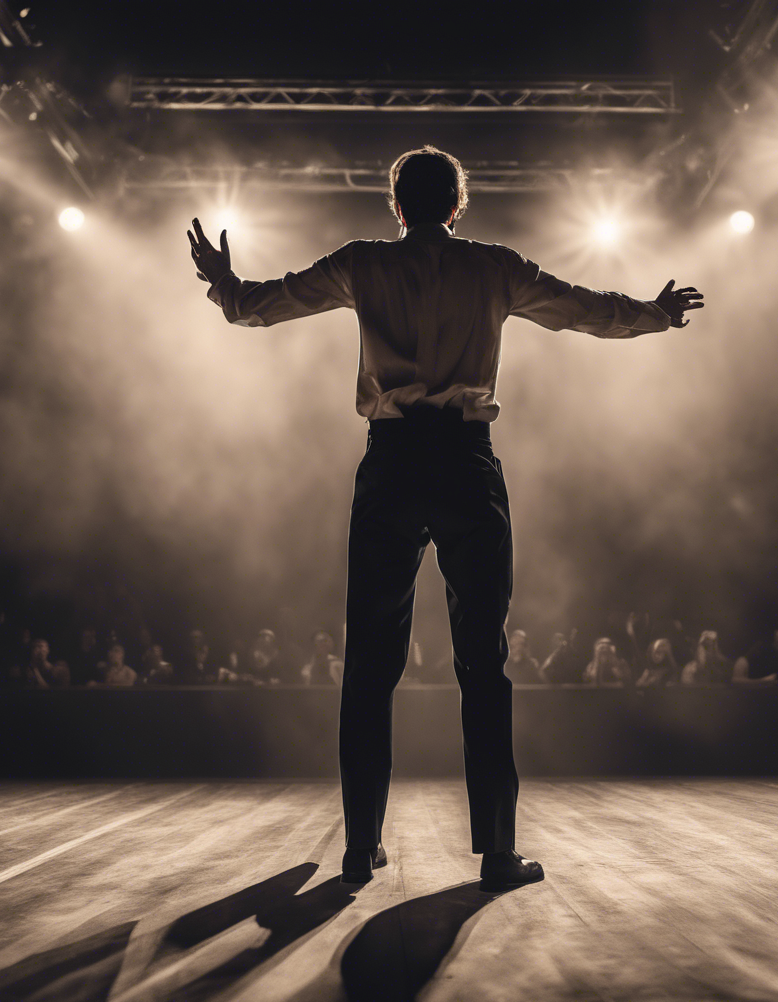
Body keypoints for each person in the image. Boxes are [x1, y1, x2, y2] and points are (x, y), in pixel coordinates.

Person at [189, 143, 703, 890]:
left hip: (391, 464)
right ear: (458, 206)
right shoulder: (494, 267)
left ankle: (361, 846)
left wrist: (224, 282)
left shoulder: (364, 263)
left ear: (397, 206)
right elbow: (585, 310)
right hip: (466, 466)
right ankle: (497, 852)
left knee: (369, 666)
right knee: (483, 666)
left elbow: (259, 307)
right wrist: (657, 314)